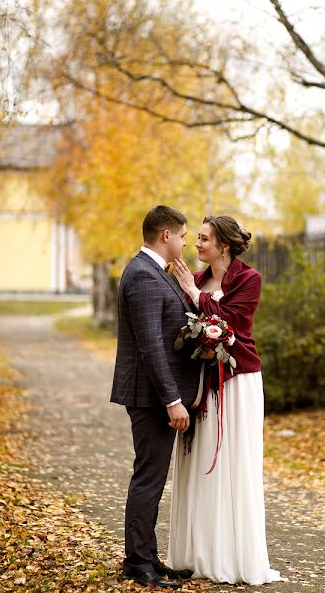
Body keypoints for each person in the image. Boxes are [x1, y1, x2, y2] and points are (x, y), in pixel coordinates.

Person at [169, 215, 284, 585]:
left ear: (224, 245)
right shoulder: (199, 278)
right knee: (200, 461)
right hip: (202, 384)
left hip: (238, 382)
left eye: (203, 239)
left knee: (232, 463)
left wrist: (193, 293)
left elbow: (232, 321)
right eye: (197, 238)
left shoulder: (249, 279)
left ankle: (231, 556)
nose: (196, 245)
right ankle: (197, 554)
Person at [110, 205, 198, 589]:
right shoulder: (144, 276)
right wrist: (172, 400)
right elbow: (150, 347)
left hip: (152, 394)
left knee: (152, 475)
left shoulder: (151, 272)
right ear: (166, 236)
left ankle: (148, 556)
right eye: (181, 235)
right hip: (150, 397)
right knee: (149, 477)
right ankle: (137, 563)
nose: (184, 241)